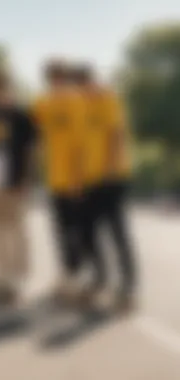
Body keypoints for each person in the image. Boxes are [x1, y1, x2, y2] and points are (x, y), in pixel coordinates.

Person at [73, 64, 136, 310]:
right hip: (88, 180)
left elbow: (116, 135)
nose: (83, 91)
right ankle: (100, 279)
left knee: (117, 232)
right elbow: (78, 146)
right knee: (87, 233)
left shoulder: (109, 101)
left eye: (86, 85)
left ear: (93, 81)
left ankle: (128, 287)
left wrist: (109, 170)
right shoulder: (81, 108)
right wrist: (77, 178)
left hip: (112, 178)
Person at [0, 72, 36, 305]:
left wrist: (26, 180)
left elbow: (30, 152)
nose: (1, 89)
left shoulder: (22, 116)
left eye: (5, 85)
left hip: (15, 182)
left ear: (11, 87)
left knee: (17, 230)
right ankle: (1, 276)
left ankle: (18, 278)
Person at [32, 60, 86, 303]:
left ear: (66, 77)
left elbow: (80, 142)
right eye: (52, 77)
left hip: (74, 178)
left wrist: (78, 176)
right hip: (53, 178)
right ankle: (65, 276)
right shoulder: (43, 103)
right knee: (60, 231)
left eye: (59, 76)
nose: (56, 81)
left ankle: (77, 278)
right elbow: (35, 132)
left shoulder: (75, 101)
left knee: (77, 230)